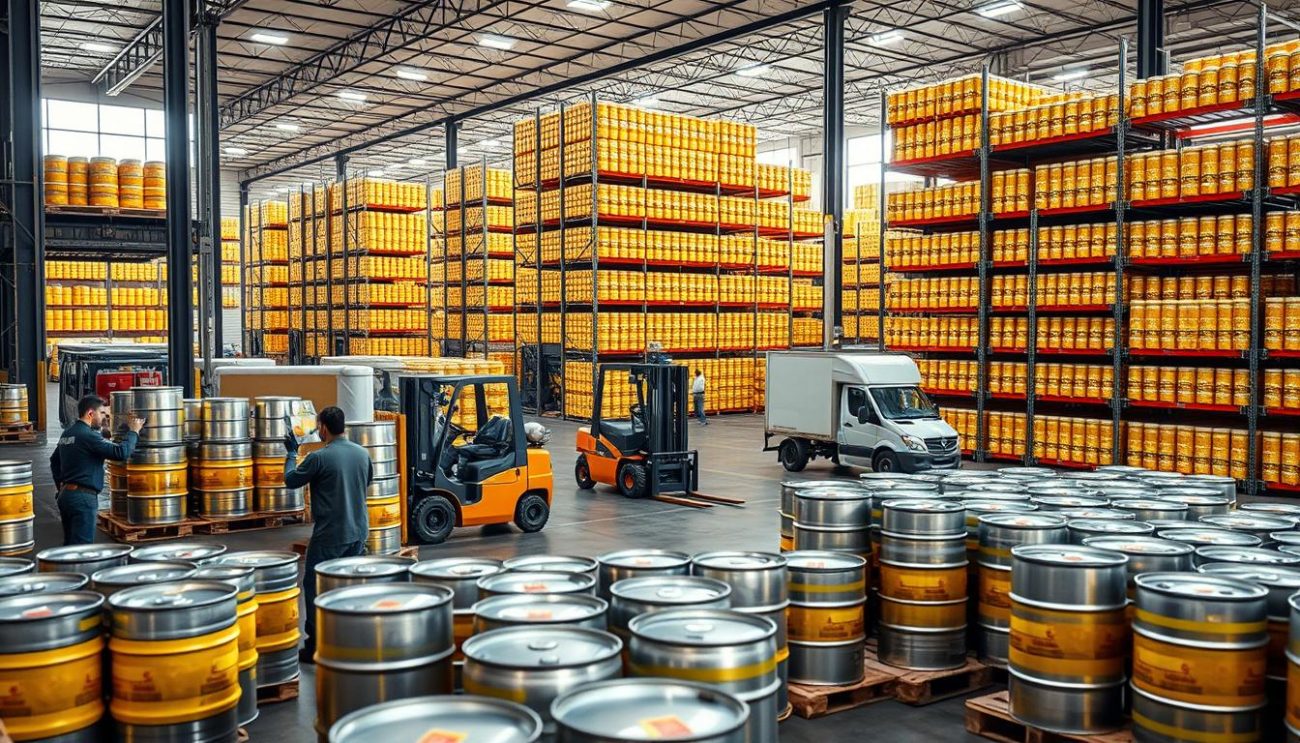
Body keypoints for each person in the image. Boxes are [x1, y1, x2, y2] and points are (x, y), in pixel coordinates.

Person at [282, 405, 372, 664]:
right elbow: (366, 481)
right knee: (350, 584)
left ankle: (315, 645)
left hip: (331, 534)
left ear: (322, 427)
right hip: (358, 531)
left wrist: (291, 453)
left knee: (314, 585)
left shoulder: (319, 458)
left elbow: (290, 480)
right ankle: (351, 638)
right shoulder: (362, 454)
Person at [50, 394, 144, 545]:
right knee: (83, 547)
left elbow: (54, 461)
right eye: (101, 413)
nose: (103, 417)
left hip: (66, 496)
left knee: (69, 546)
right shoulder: (89, 436)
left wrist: (60, 485)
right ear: (90, 413)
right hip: (83, 498)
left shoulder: (67, 434)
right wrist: (134, 432)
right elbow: (121, 453)